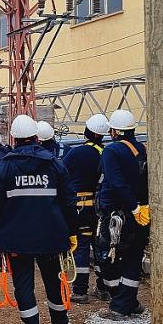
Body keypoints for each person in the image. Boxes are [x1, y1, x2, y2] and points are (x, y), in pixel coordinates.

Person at [0, 115, 77, 324]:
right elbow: (68, 201)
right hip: (51, 237)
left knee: (23, 285)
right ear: (36, 137)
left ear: (13, 138)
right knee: (53, 281)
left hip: (17, 239)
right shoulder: (54, 163)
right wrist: (72, 232)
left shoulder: (5, 165)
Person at [96, 109, 150, 321]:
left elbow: (116, 182)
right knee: (133, 257)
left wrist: (133, 206)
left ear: (115, 131)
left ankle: (120, 304)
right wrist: (140, 207)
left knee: (107, 256)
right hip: (139, 214)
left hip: (118, 214)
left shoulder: (112, 151)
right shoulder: (141, 149)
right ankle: (129, 302)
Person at [62, 114, 110, 303]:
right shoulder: (106, 153)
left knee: (81, 246)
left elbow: (63, 175)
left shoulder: (76, 153)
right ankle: (104, 287)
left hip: (80, 207)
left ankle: (80, 290)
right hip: (100, 208)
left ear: (87, 131)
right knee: (100, 247)